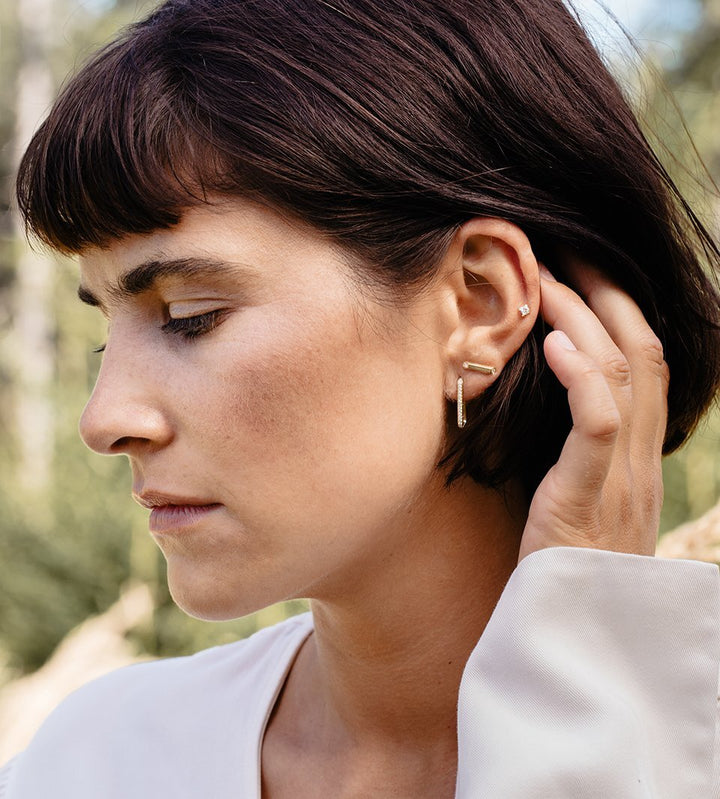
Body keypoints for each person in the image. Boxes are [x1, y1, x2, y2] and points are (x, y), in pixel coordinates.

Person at [2, 0, 720, 796]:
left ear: (478, 303)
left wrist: (582, 667)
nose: (103, 419)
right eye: (106, 336)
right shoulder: (97, 760)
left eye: (190, 316)